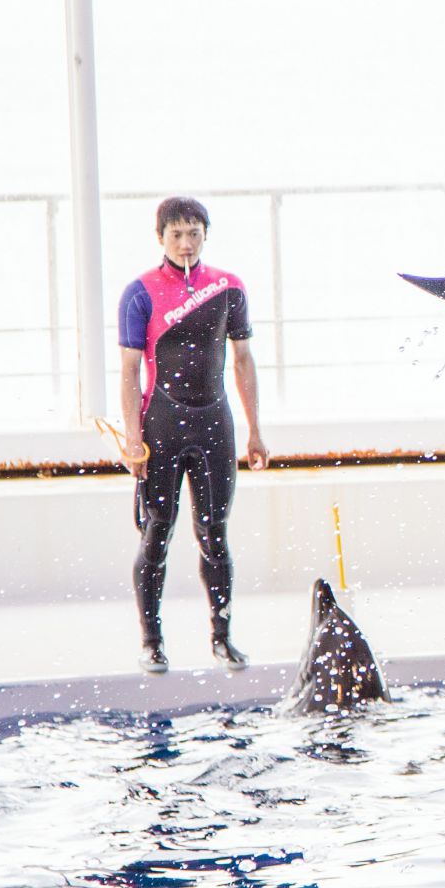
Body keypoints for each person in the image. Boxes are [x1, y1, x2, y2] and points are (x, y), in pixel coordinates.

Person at [119, 196, 269, 673]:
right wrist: (131, 438)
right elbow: (128, 373)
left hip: (214, 426)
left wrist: (255, 431)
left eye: (194, 234)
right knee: (157, 533)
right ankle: (151, 641)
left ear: (206, 235)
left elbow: (243, 360)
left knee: (214, 533)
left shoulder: (229, 288)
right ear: (160, 237)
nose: (185, 244)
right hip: (160, 427)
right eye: (176, 235)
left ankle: (222, 637)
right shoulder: (140, 293)